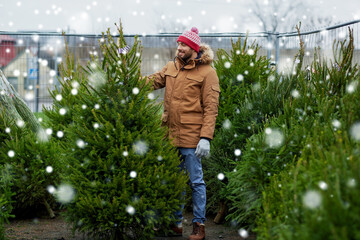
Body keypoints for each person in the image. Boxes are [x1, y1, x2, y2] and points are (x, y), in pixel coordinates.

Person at [147, 27, 220, 240]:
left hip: (192, 137)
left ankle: (199, 226)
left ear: (194, 49)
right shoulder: (171, 67)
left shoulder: (208, 73)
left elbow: (211, 108)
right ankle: (175, 223)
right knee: (174, 181)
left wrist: (205, 137)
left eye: (184, 45)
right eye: (178, 44)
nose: (179, 48)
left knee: (196, 182)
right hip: (169, 135)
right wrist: (124, 77)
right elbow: (151, 81)